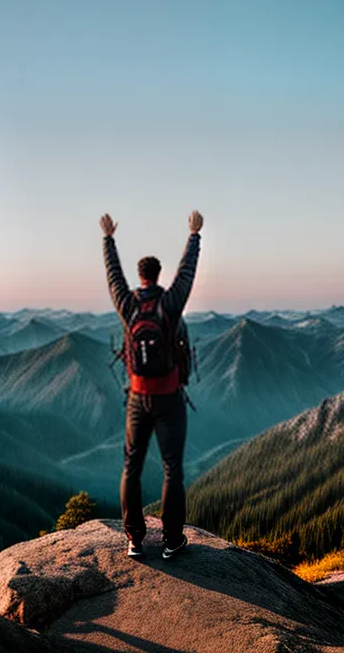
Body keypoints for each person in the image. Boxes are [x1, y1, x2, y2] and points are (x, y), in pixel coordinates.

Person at [100, 210, 203, 560]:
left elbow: (113, 275)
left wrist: (108, 239)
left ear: (140, 276)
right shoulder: (169, 304)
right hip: (169, 398)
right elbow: (187, 274)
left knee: (132, 467)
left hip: (137, 398)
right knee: (172, 467)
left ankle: (135, 539)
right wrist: (194, 235)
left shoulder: (128, 306)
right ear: (158, 276)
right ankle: (173, 541)